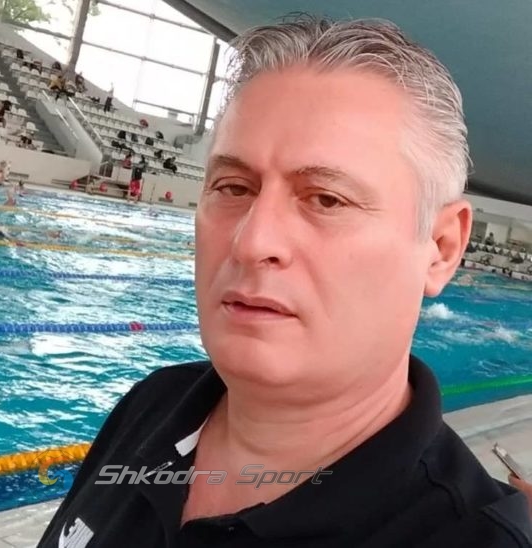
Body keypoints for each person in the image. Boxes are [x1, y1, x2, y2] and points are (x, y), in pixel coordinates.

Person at [38, 16, 532, 548]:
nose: (252, 242)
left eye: (327, 199)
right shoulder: (155, 404)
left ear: (441, 248)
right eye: (233, 187)